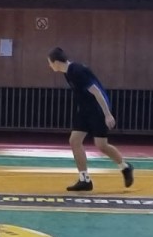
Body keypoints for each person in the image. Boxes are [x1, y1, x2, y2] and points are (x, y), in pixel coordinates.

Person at [46, 47, 134, 192]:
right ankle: (84, 180)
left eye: (49, 63)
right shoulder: (67, 73)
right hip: (85, 110)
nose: (49, 66)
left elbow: (97, 92)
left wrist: (107, 114)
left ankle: (125, 167)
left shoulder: (77, 71)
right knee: (74, 141)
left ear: (56, 62)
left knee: (101, 145)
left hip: (98, 109)